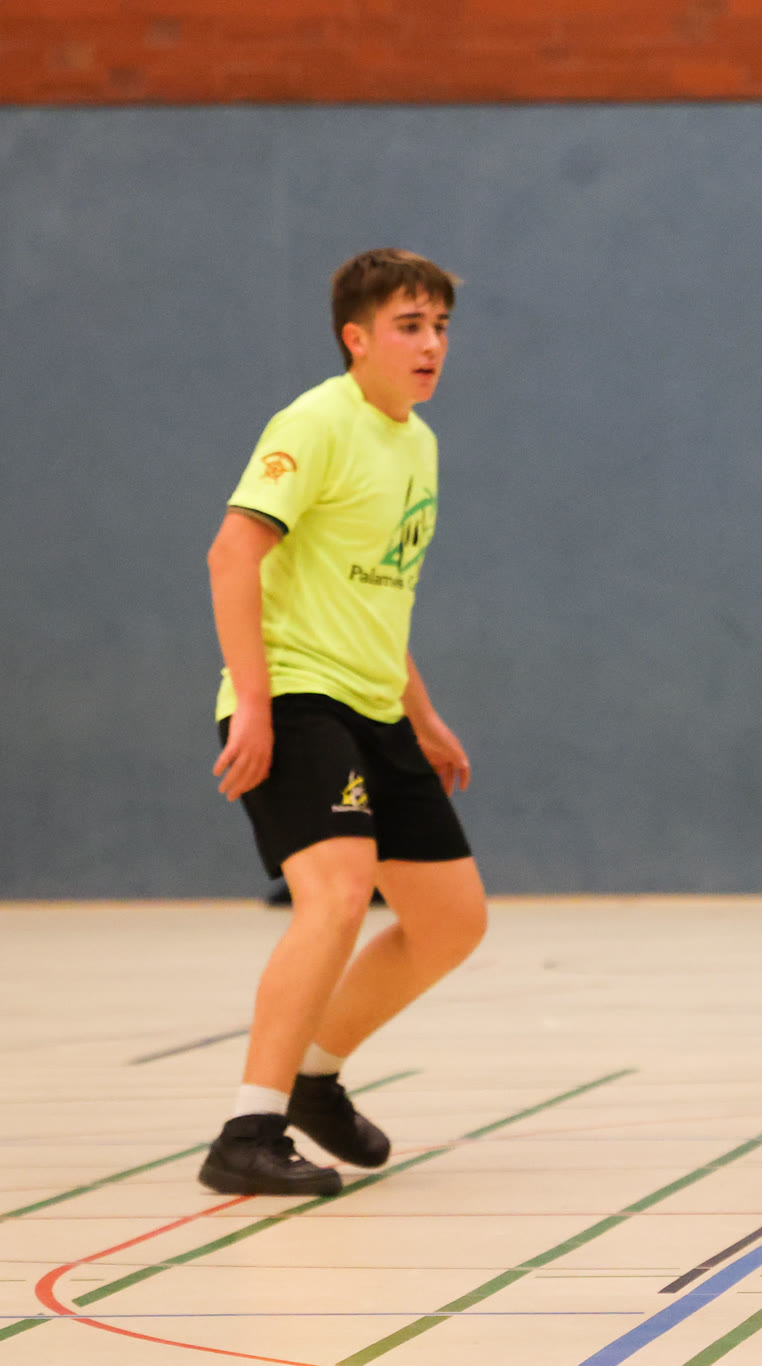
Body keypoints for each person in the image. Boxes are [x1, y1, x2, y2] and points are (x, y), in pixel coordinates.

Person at [200, 248, 488, 1196]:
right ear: (355, 338)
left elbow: (376, 595)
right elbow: (232, 555)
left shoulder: (419, 445)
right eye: (410, 326)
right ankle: (247, 1130)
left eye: (440, 326)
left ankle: (313, 1079)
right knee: (335, 893)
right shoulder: (316, 422)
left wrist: (423, 713)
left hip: (375, 705)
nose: (431, 344)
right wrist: (253, 701)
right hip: (294, 695)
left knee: (451, 921)